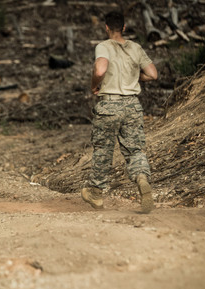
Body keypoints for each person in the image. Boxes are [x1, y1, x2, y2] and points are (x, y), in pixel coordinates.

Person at [81, 10, 158, 213]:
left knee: (103, 150)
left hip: (110, 105)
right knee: (135, 149)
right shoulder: (135, 47)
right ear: (124, 27)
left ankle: (96, 194)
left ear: (106, 27)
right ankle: (142, 178)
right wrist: (133, 77)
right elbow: (152, 74)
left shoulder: (103, 46)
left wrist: (94, 85)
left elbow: (100, 70)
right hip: (132, 105)